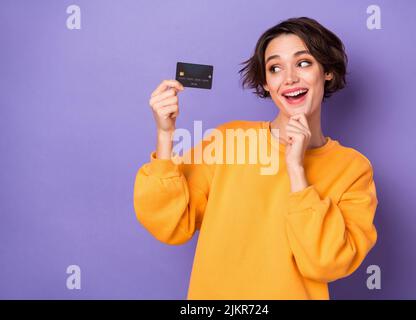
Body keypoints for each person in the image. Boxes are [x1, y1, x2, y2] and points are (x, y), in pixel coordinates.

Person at [133, 17, 378, 300]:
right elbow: (170, 224)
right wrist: (165, 135)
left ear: (328, 72)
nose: (289, 79)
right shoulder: (227, 141)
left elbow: (326, 263)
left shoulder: (353, 169)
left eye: (303, 63)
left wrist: (296, 169)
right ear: (266, 82)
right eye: (275, 68)